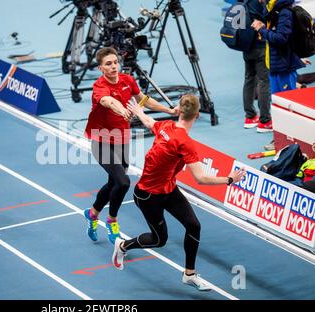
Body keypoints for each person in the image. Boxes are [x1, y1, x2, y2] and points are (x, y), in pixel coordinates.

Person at [111, 95, 246, 291]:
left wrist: (139, 111)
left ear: (179, 111)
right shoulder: (185, 143)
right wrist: (230, 179)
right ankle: (122, 246)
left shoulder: (166, 126)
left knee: (193, 225)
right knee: (159, 240)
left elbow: (150, 122)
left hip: (168, 188)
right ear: (197, 115)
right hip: (147, 196)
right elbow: (201, 178)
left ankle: (189, 274)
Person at [83, 47, 179, 244]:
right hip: (101, 140)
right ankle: (112, 220)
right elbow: (109, 101)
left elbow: (144, 100)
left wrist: (168, 110)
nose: (113, 66)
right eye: (108, 64)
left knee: (114, 183)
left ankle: (92, 213)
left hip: (121, 139)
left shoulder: (127, 80)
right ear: (101, 68)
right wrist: (123, 112)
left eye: (115, 62)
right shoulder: (99, 87)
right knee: (123, 182)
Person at [252, 0, 307, 147]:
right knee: (277, 106)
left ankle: (295, 140)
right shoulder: (272, 8)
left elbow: (282, 38)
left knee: (289, 107)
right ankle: (280, 139)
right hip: (274, 65)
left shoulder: (285, 12)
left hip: (284, 67)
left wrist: (261, 30)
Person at [241, 0, 273, 132]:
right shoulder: (262, 3)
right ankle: (265, 121)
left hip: (246, 44)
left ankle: (250, 117)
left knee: (249, 78)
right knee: (263, 81)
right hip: (260, 47)